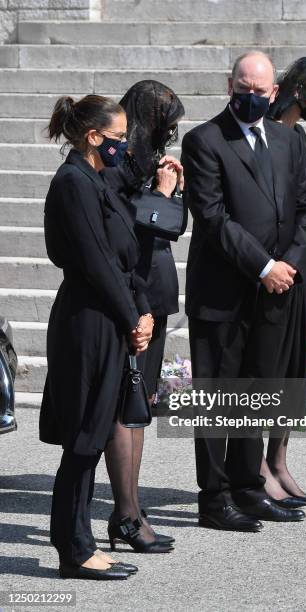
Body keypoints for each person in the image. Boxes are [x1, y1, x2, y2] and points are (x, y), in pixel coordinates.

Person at [182, 51, 306, 531]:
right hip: (223, 291)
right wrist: (263, 266)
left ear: (274, 93)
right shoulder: (203, 140)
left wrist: (290, 266)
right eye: (243, 89)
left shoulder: (286, 140)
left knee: (258, 390)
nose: (251, 98)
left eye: (260, 92)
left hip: (275, 292)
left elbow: (305, 208)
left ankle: (248, 486)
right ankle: (214, 499)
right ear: (229, 85)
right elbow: (214, 218)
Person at [39, 94, 154, 579]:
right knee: (84, 437)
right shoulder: (73, 182)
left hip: (111, 313)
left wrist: (142, 309)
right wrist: (132, 317)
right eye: (117, 138)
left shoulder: (98, 178)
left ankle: (82, 541)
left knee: (96, 430)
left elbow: (124, 254)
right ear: (92, 137)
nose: (123, 147)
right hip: (88, 319)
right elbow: (95, 262)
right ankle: (73, 548)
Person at [100, 81, 186, 553]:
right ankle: (126, 514)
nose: (169, 131)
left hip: (157, 289)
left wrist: (174, 191)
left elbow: (172, 226)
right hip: (130, 293)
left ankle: (130, 507)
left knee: (140, 406)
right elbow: (124, 229)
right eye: (164, 121)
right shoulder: (116, 164)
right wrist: (160, 192)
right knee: (125, 404)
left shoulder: (148, 159)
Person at [256, 57, 306, 506]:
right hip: (273, 268)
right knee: (269, 371)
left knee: (295, 373)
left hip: (301, 266)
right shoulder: (264, 130)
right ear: (299, 91)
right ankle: (258, 467)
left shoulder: (298, 134)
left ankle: (280, 459)